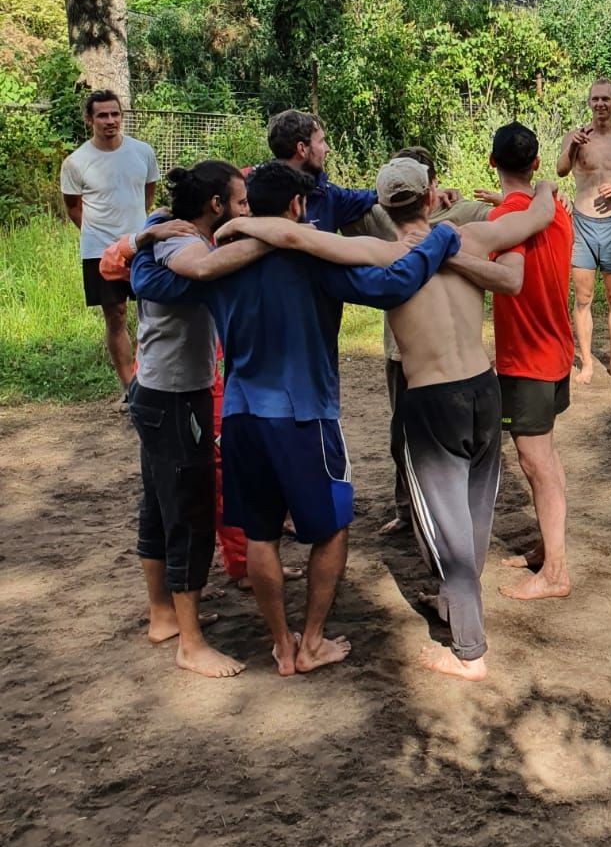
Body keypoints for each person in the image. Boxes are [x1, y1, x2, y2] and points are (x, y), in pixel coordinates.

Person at [131, 160, 482, 677]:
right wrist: (440, 239)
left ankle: (280, 644)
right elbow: (393, 285)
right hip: (305, 417)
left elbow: (150, 280)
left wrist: (146, 238)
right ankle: (312, 640)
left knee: (260, 534)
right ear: (296, 207)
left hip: (242, 416)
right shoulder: (315, 262)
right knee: (333, 528)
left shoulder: (219, 262)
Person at [218, 159, 558, 682]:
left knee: (448, 529)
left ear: (382, 206)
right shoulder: (470, 236)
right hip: (484, 388)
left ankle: (468, 651)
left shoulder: (381, 252)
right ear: (429, 197)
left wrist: (239, 224)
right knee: (471, 517)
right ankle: (454, 601)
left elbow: (295, 237)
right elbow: (538, 215)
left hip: (432, 401)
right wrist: (545, 181)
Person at [126, 161, 267, 678]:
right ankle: (190, 643)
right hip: (174, 400)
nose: (246, 209)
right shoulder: (183, 249)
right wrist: (276, 239)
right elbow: (203, 273)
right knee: (188, 512)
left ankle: (163, 615)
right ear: (216, 205)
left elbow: (147, 256)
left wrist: (145, 237)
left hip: (159, 393)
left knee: (160, 506)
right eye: (241, 202)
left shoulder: (169, 233)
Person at [354, 146, 492, 536]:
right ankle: (407, 508)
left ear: (430, 185)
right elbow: (344, 203)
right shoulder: (385, 219)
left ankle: (449, 518)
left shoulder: (459, 215)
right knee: (403, 437)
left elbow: (503, 217)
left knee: (448, 444)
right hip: (401, 353)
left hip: (449, 360)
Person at [487, 123, 575, 602]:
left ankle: (556, 573)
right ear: (537, 164)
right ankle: (547, 549)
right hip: (556, 351)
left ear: (492, 162)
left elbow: (510, 272)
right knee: (548, 455)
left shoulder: (510, 218)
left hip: (528, 359)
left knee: (534, 461)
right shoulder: (554, 210)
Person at [60, 90, 159, 397]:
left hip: (140, 245)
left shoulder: (142, 152)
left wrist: (134, 232)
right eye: (102, 115)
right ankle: (131, 388)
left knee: (152, 311)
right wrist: (98, 236)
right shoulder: (76, 162)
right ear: (90, 119)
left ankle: (154, 382)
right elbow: (73, 207)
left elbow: (148, 193)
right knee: (115, 316)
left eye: (115, 114)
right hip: (99, 250)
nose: (110, 121)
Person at [556, 77, 611, 385]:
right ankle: (587, 363)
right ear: (589, 103)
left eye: (606, 99)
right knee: (582, 297)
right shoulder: (576, 137)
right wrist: (572, 146)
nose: (600, 105)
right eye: (595, 99)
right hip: (582, 222)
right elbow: (561, 171)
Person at [267, 109, 378, 232]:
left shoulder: (328, 195)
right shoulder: (253, 199)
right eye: (321, 141)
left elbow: (376, 196)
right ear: (302, 149)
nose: (327, 148)